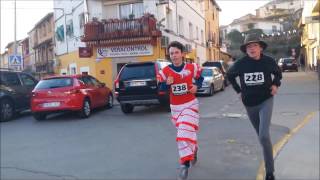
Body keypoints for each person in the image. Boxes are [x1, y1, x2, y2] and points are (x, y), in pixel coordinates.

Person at [227, 33, 282, 180]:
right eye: (249, 47)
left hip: (266, 100)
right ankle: (268, 153)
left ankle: (270, 172)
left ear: (260, 48)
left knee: (264, 135)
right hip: (249, 104)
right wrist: (238, 91)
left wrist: (276, 84)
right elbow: (230, 75)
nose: (252, 49)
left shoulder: (268, 61)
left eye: (255, 46)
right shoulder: (241, 63)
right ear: (246, 50)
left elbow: (278, 73)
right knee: (262, 138)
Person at [158, 41, 203, 180]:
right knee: (187, 132)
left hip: (190, 105)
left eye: (177, 52)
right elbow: (160, 89)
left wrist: (197, 87)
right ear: (169, 55)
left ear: (183, 54)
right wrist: (167, 84)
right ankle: (193, 149)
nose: (174, 55)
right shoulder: (165, 72)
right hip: (176, 109)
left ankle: (185, 164)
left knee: (183, 134)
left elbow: (200, 78)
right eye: (171, 53)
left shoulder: (192, 67)